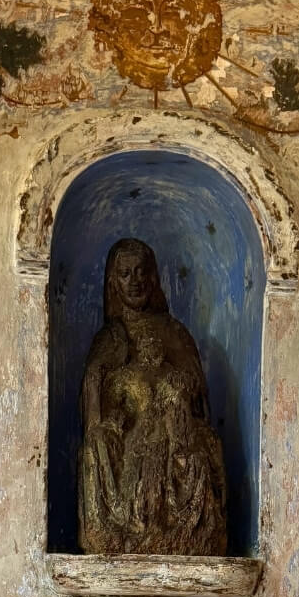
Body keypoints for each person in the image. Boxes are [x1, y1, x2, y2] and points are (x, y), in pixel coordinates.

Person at [79, 238, 227, 556]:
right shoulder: (109, 338)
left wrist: (176, 394)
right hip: (130, 434)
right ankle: (116, 532)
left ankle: (188, 533)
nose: (134, 281)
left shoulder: (174, 332)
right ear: (114, 282)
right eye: (125, 274)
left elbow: (197, 396)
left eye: (140, 272)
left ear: (153, 278)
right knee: (97, 447)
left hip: (173, 428)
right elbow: (99, 400)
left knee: (197, 448)